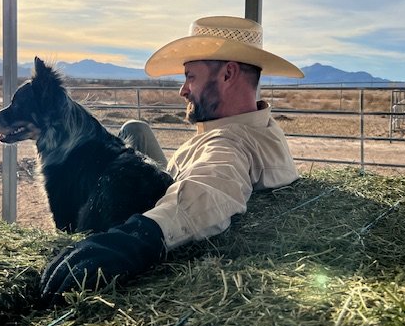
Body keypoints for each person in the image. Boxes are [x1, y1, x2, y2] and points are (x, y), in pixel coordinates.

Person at [40, 16, 304, 303]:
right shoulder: (261, 126)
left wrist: (133, 240)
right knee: (134, 130)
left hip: (163, 206)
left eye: (191, 77)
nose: (183, 90)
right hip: (169, 181)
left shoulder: (229, 144)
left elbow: (209, 188)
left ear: (228, 74)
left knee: (127, 137)